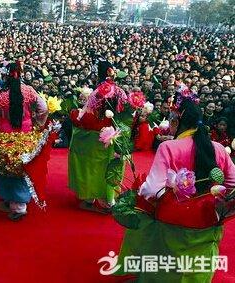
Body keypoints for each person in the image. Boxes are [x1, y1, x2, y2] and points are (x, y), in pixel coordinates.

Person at [117, 99, 235, 282]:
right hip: (208, 220)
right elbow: (232, 184)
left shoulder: (168, 147)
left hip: (171, 220)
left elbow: (152, 189)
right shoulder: (218, 148)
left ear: (175, 122)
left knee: (139, 214)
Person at [0, 62, 50, 221]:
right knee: (23, 170)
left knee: (5, 167)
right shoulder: (29, 91)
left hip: (3, 138)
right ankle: (18, 202)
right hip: (27, 138)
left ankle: (16, 204)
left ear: (5, 75)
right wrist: (37, 124)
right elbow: (44, 108)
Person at [68, 66, 129, 213]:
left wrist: (73, 114)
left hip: (96, 139)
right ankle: (109, 199)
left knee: (92, 169)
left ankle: (90, 198)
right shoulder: (121, 92)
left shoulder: (97, 93)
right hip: (115, 137)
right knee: (110, 168)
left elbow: (85, 117)